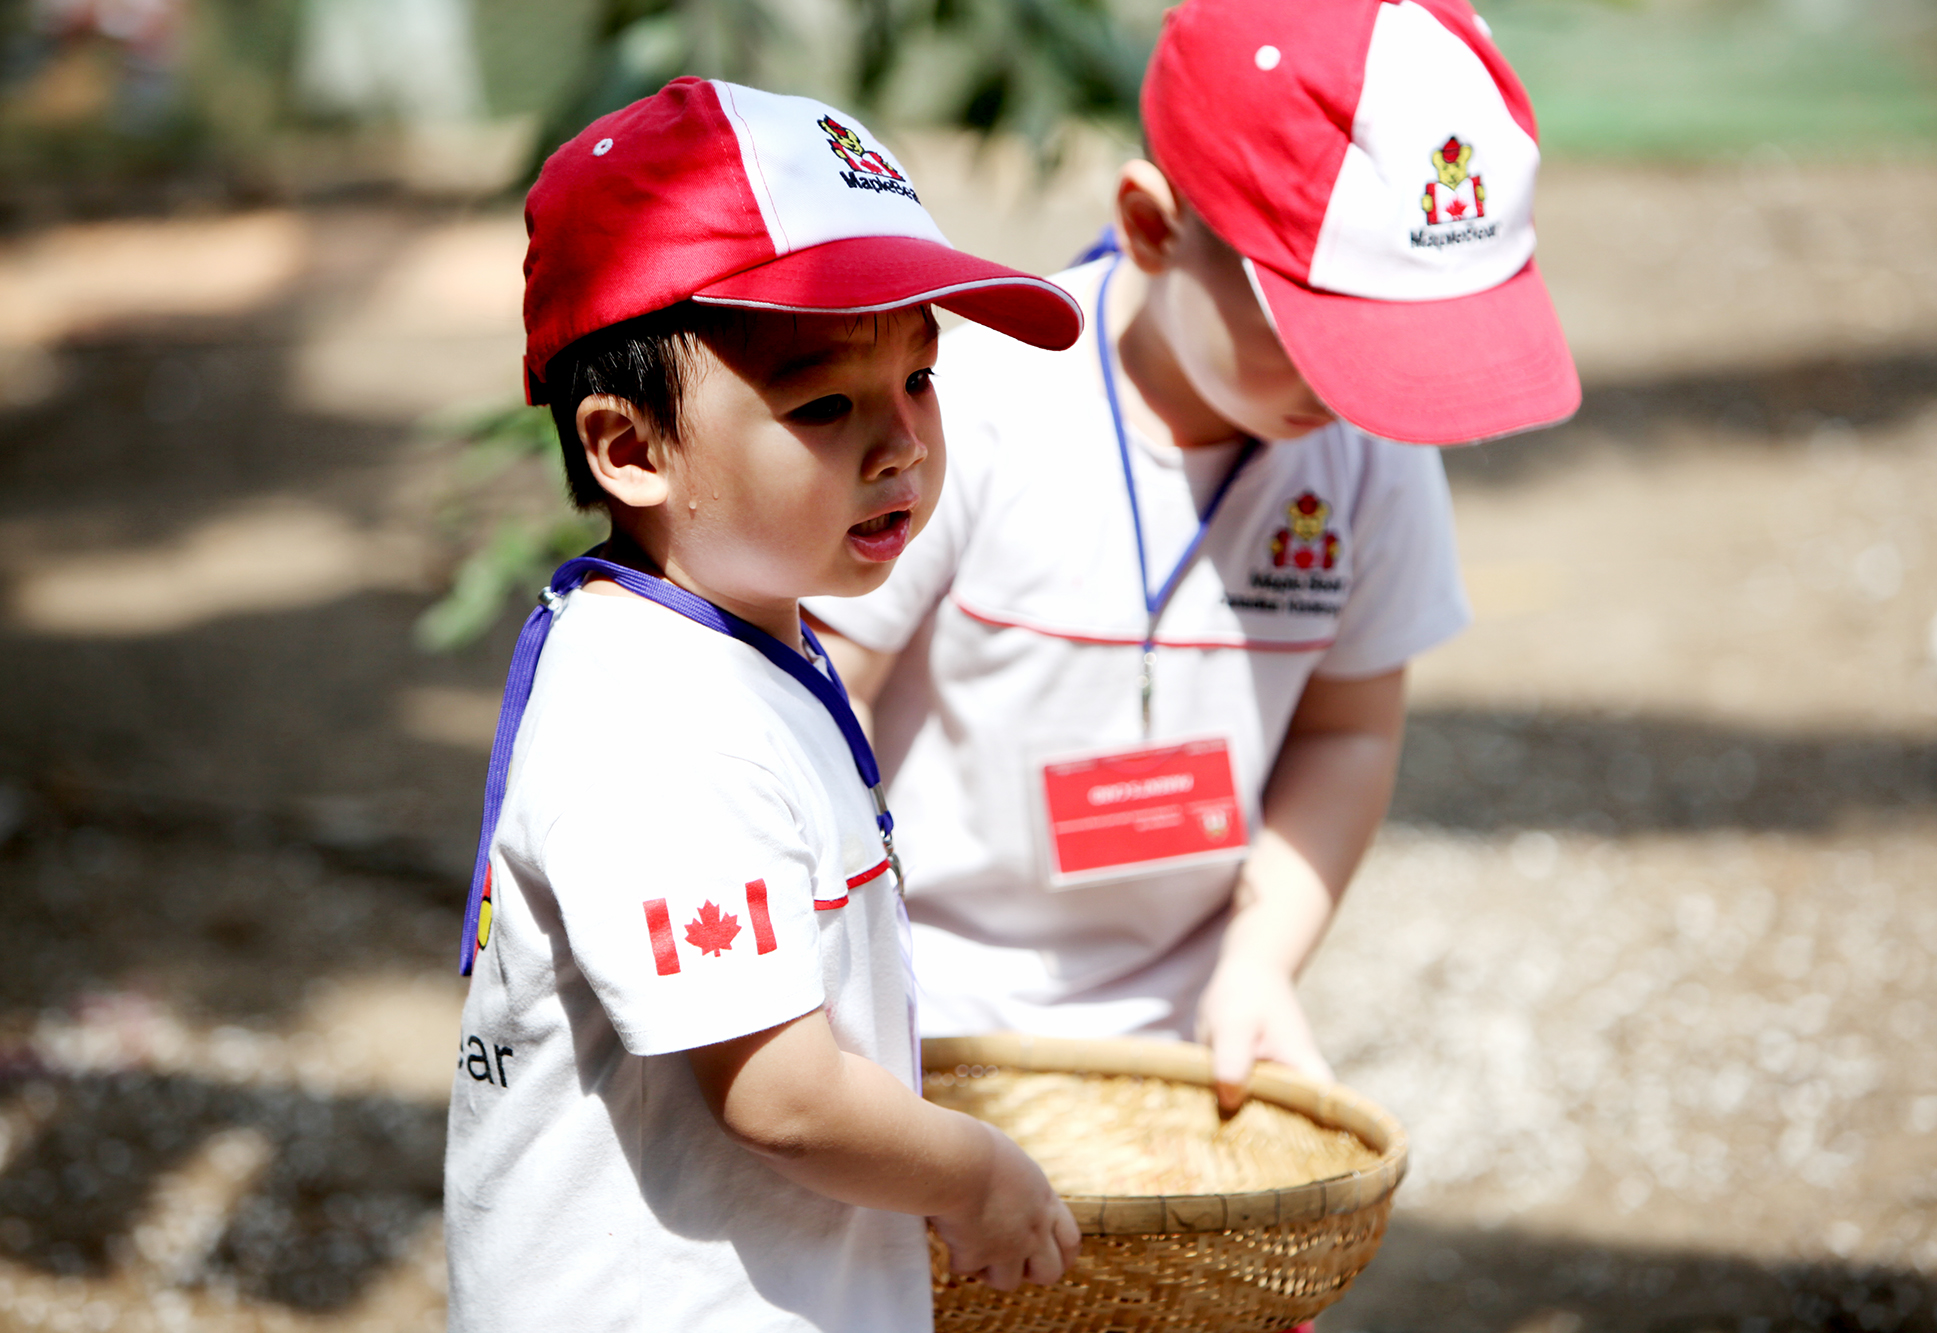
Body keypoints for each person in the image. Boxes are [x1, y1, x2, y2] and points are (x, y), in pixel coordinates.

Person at [806, 0, 1583, 1112]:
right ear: (1151, 226)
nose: (1353, 387)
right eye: (1323, 333)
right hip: (926, 1011)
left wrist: (1260, 964)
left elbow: (1348, 730)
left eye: (1403, 344)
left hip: (1185, 1033)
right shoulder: (969, 416)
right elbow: (827, 696)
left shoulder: (1369, 451)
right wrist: (836, 982)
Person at [443, 78, 1086, 1332]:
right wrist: (976, 1175)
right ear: (630, 448)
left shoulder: (742, 635)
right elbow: (784, 1099)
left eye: (920, 376)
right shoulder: (656, 722)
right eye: (824, 404)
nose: (900, 444)